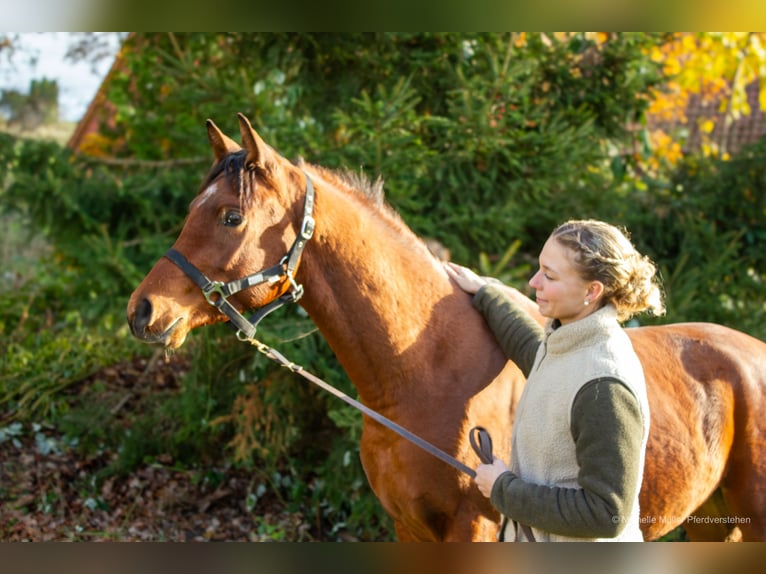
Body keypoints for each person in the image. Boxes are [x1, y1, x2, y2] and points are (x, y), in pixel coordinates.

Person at [445, 219, 665, 542]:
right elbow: (535, 351)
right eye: (539, 269)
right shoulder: (569, 340)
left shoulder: (605, 386)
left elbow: (606, 513)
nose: (534, 281)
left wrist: (504, 489)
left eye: (549, 276)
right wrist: (487, 294)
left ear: (592, 291)